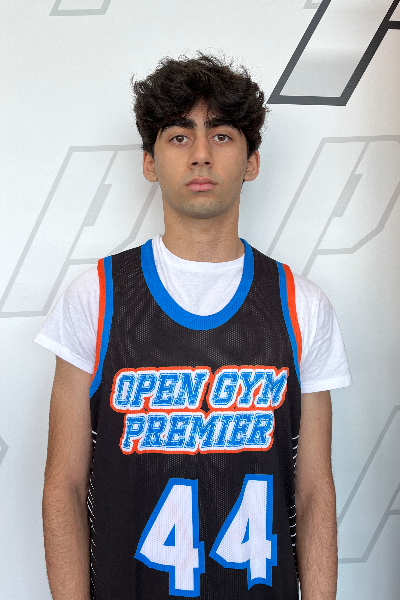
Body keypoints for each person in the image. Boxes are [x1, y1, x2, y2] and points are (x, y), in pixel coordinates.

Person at [36, 53, 352, 600]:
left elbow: (314, 492)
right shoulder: (97, 296)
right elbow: (62, 486)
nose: (201, 154)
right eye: (179, 137)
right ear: (149, 162)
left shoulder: (301, 304)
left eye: (222, 136)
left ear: (252, 161)